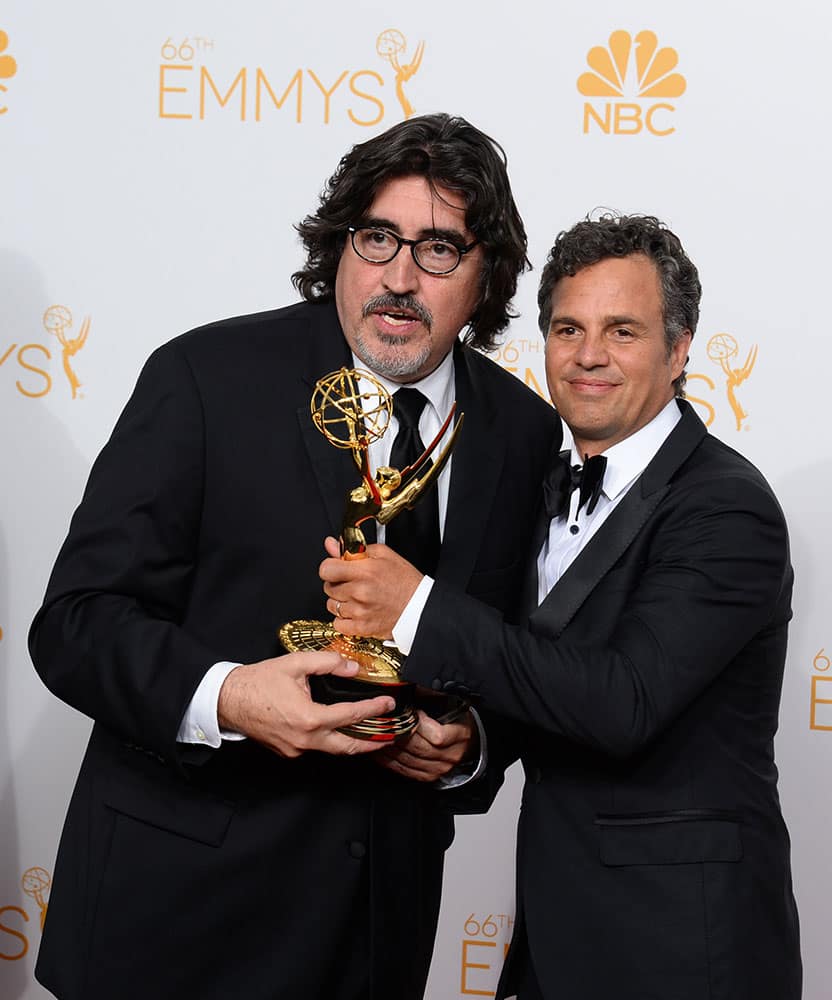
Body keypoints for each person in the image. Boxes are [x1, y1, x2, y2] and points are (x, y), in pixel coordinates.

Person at [28, 114, 559, 1000]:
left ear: (487, 276)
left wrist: (471, 746)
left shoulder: (524, 431)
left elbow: (512, 654)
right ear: (341, 243)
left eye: (438, 250)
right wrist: (230, 696)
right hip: (173, 922)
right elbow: (75, 625)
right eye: (377, 237)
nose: (397, 276)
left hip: (376, 931)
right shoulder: (206, 377)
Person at [320, 214, 802, 1000]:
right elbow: (544, 670)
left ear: (679, 351)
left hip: (687, 951)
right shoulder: (536, 479)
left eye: (623, 331)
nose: (587, 356)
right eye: (567, 328)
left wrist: (418, 610)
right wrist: (473, 740)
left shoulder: (727, 509)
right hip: (553, 935)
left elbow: (624, 699)